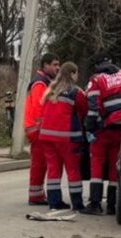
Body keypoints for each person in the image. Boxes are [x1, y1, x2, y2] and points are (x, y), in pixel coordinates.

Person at [82, 56, 121, 215]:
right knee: (115, 167)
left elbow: (93, 108)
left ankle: (95, 203)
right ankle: (112, 205)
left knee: (97, 165)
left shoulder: (96, 80)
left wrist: (90, 129)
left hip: (104, 128)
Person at [37, 62, 87, 210]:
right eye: (76, 73)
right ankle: (77, 203)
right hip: (67, 137)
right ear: (72, 74)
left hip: (46, 136)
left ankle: (54, 202)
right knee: (73, 170)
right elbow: (84, 111)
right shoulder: (75, 92)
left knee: (53, 169)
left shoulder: (51, 89)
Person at [24, 53, 61, 206]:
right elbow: (40, 107)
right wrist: (45, 126)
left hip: (37, 128)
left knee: (41, 163)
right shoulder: (40, 83)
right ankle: (36, 196)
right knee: (40, 163)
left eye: (58, 64)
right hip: (38, 129)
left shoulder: (43, 82)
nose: (57, 67)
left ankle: (37, 194)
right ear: (45, 65)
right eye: (54, 64)